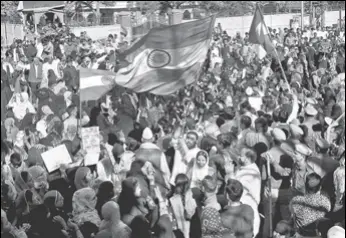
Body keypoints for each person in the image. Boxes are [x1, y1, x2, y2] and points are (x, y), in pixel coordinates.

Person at [290, 173, 332, 237]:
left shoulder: (295, 200)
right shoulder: (325, 201)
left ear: (305, 186)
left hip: (300, 235)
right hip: (315, 235)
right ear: (320, 188)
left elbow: (293, 217)